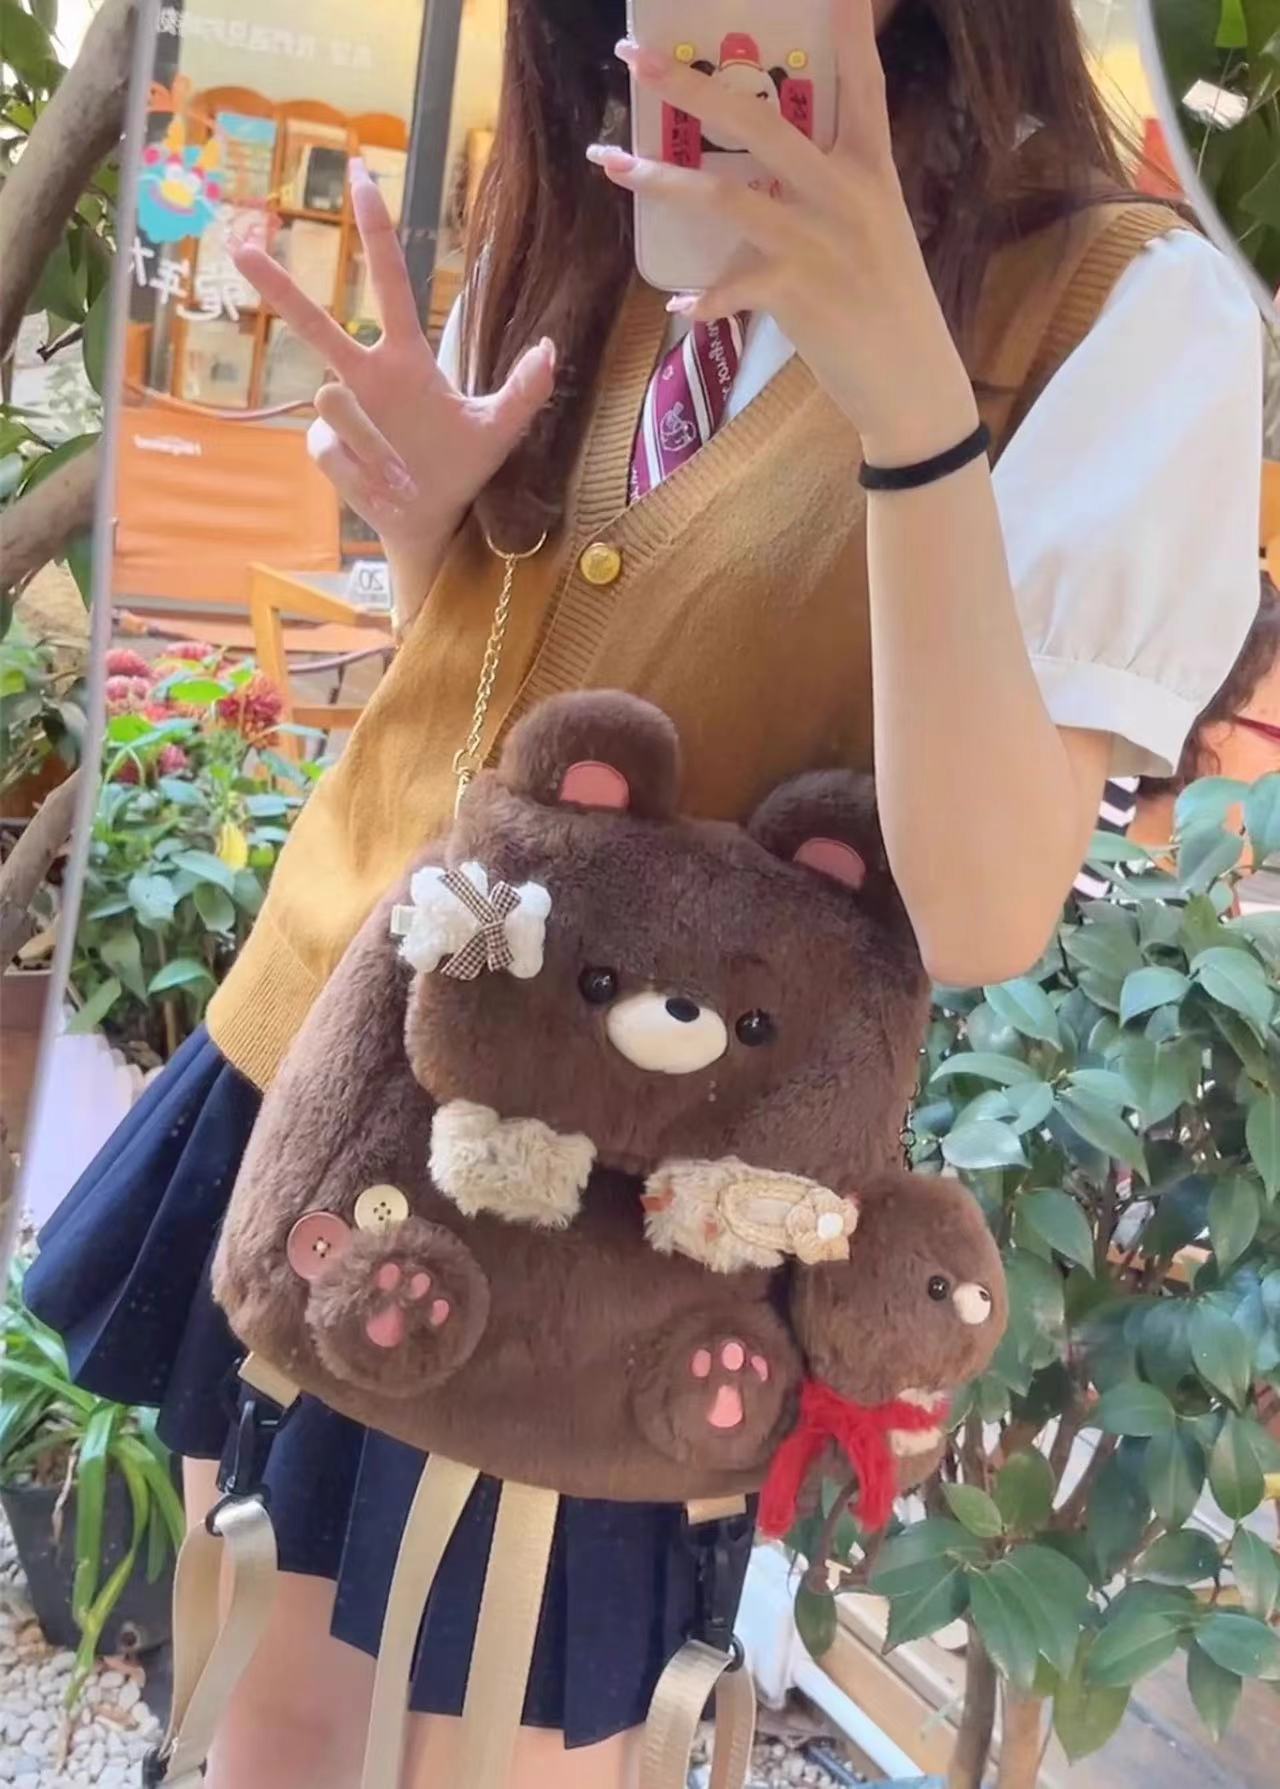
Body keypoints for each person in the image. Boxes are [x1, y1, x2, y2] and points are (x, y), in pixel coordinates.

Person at [27, 4, 1262, 1786]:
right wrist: (429, 533)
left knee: (475, 1753)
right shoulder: (610, 189)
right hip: (321, 1078)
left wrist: (913, 409)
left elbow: (985, 910)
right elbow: (522, 707)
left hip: (592, 1223)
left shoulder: (1123, 313)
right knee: (251, 1721)